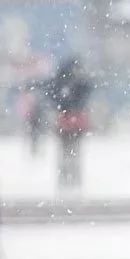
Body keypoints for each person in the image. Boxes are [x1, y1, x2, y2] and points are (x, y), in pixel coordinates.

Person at [44, 57, 92, 189]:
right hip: (70, 122)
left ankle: (68, 178)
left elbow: (52, 95)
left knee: (68, 152)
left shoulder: (63, 82)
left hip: (67, 123)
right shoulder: (74, 83)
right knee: (70, 152)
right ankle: (70, 179)